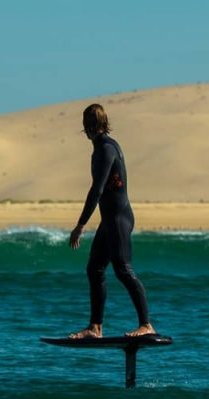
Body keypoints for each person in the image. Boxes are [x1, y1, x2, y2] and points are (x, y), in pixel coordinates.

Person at [68, 103, 156, 339]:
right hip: (110, 220)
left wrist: (80, 225)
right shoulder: (105, 146)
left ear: (88, 126)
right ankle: (95, 327)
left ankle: (146, 325)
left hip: (118, 219)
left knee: (123, 270)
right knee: (94, 269)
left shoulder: (106, 149)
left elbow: (96, 191)